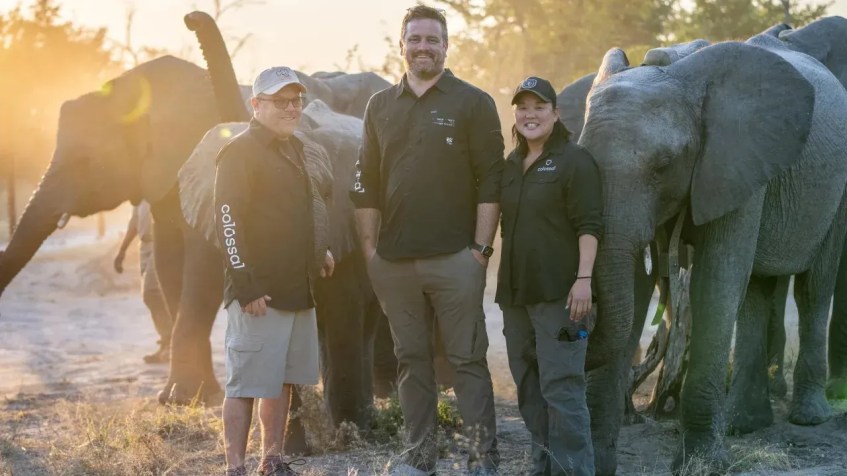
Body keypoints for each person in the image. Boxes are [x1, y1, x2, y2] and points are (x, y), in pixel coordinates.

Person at [350, 5, 503, 475]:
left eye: (432, 39)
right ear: (402, 45)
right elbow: (366, 182)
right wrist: (371, 253)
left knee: (467, 361)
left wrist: (480, 251)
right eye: (414, 39)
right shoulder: (379, 106)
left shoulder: (473, 102)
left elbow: (491, 182)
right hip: (394, 262)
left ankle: (482, 460)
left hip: (457, 258)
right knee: (410, 359)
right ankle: (419, 458)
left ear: (446, 47)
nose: (423, 47)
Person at [214, 65, 333, 476]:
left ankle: (272, 460)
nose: (291, 108)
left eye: (296, 101)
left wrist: (319, 249)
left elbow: (301, 209)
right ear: (256, 104)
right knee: (245, 384)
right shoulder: (239, 152)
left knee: (280, 379)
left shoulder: (296, 147)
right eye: (280, 101)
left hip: (297, 288)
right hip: (258, 294)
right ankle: (235, 468)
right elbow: (228, 222)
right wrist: (246, 286)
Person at [496, 76, 602, 476]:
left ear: (556, 114)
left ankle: (574, 471)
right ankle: (543, 467)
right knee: (528, 388)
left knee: (562, 387)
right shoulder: (510, 165)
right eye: (523, 107)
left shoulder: (576, 160)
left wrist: (584, 280)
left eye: (539, 107)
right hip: (515, 296)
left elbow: (590, 225)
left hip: (562, 296)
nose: (530, 115)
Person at [113, 201, 172, 364]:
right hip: (144, 246)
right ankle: (166, 342)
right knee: (152, 296)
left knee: (151, 292)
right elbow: (134, 222)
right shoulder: (138, 195)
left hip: (160, 243)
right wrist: (122, 250)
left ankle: (170, 341)